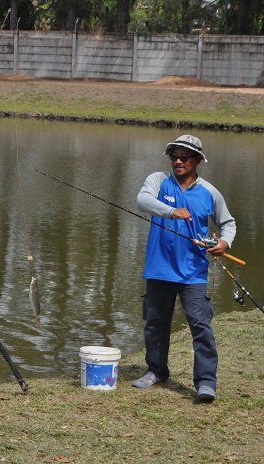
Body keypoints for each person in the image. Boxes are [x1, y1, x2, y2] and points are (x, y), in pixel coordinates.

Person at [132, 134, 236, 402]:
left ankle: (206, 382)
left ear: (198, 160)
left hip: (194, 272)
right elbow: (142, 200)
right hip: (158, 269)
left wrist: (224, 243)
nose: (177, 161)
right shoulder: (158, 180)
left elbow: (228, 223)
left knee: (200, 325)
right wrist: (171, 211)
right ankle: (156, 371)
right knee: (155, 324)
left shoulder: (210, 193)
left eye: (184, 157)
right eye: (173, 156)